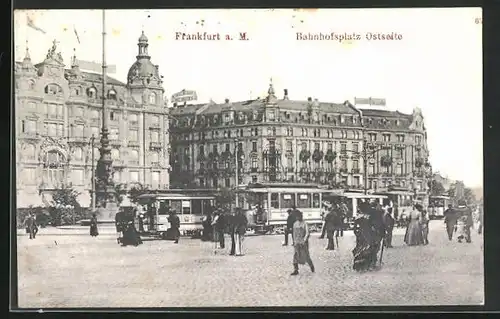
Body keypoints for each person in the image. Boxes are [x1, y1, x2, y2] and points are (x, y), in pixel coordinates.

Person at [352, 202, 380, 272]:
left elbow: (355, 229)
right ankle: (370, 264)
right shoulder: (372, 216)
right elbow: (376, 226)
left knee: (361, 250)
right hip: (370, 236)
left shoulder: (358, 217)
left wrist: (358, 234)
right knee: (371, 250)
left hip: (361, 237)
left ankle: (361, 265)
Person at [291, 210, 315, 275]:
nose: (297, 218)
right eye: (297, 217)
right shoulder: (295, 224)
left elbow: (307, 233)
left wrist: (304, 240)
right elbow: (294, 233)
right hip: (297, 242)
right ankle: (296, 270)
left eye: (299, 216)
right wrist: (294, 241)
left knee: (306, 255)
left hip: (303, 242)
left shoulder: (305, 224)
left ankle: (311, 266)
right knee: (295, 255)